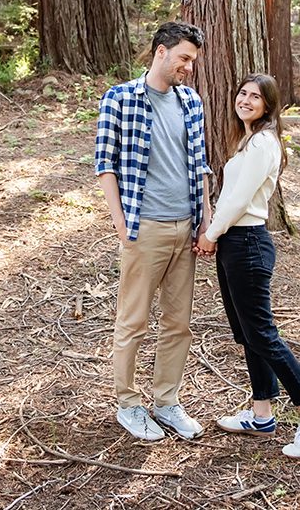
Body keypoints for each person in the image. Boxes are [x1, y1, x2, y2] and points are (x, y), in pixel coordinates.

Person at [196, 73, 300, 459]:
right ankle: (262, 414)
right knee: (247, 333)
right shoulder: (247, 141)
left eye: (255, 97)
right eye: (242, 93)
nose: (245, 100)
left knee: (263, 334)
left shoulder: (262, 142)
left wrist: (211, 233)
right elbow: (230, 193)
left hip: (247, 244)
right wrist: (215, 231)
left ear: (268, 105)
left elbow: (239, 198)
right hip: (234, 244)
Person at [95, 22, 211, 442]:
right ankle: (128, 404)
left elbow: (199, 165)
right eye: (184, 58)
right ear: (160, 52)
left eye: (192, 60)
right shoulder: (121, 98)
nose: (189, 67)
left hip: (186, 228)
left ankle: (166, 402)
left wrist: (205, 219)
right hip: (145, 229)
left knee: (179, 323)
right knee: (134, 321)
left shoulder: (191, 101)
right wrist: (121, 222)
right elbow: (104, 163)